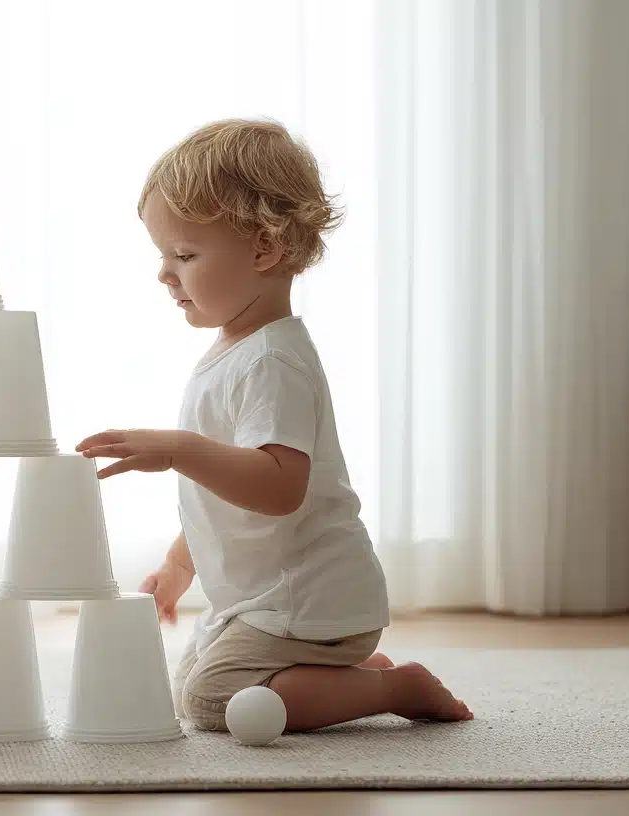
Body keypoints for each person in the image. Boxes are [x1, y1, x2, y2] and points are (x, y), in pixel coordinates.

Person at [76, 119, 474, 732]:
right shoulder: (234, 352)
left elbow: (279, 487)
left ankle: (395, 687)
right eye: (163, 255)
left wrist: (180, 449)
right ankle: (355, 676)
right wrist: (182, 564)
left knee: (209, 703)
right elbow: (225, 494)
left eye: (183, 255)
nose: (164, 273)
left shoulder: (272, 361)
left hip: (309, 600)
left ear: (263, 249)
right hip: (270, 602)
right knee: (186, 682)